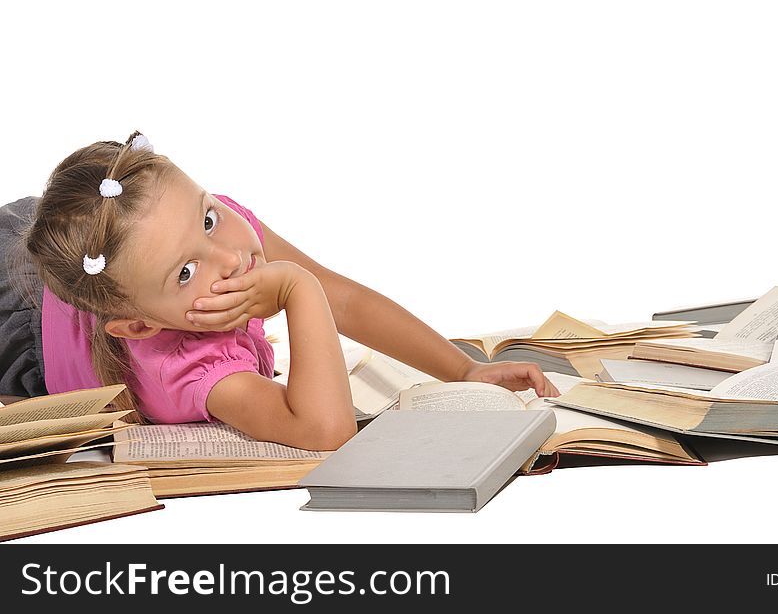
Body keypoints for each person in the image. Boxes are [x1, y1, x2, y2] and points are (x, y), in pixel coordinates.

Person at [0, 131, 560, 450]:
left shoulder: (196, 240)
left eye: (211, 218)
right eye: (187, 274)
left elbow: (345, 299)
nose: (229, 259)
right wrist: (296, 288)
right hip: (17, 319)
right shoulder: (187, 367)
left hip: (71, 255)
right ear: (140, 325)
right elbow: (325, 432)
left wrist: (461, 371)